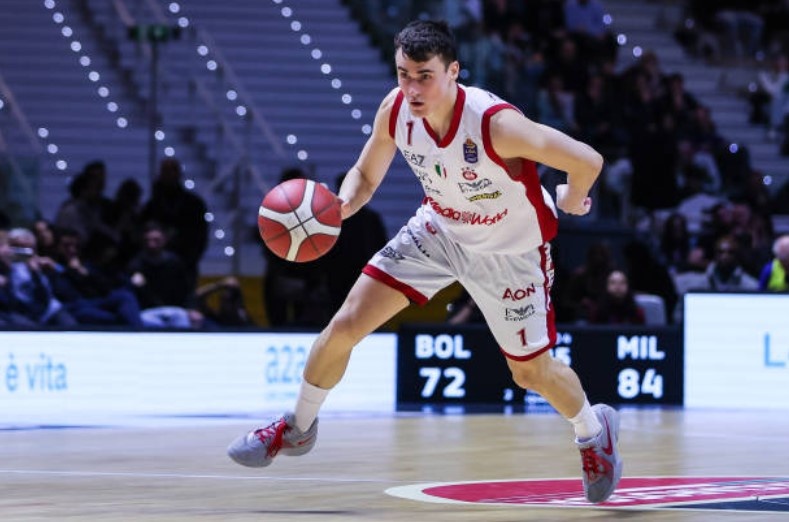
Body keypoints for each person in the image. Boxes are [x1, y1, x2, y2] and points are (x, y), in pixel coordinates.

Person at [227, 20, 622, 504]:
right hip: (438, 230)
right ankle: (298, 426)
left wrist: (573, 198)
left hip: (510, 252)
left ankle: (593, 429)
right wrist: (343, 204)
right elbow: (365, 174)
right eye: (403, 74)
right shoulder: (395, 110)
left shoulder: (495, 125)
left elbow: (587, 159)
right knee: (346, 324)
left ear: (452, 71)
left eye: (424, 76)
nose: (411, 88)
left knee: (530, 373)